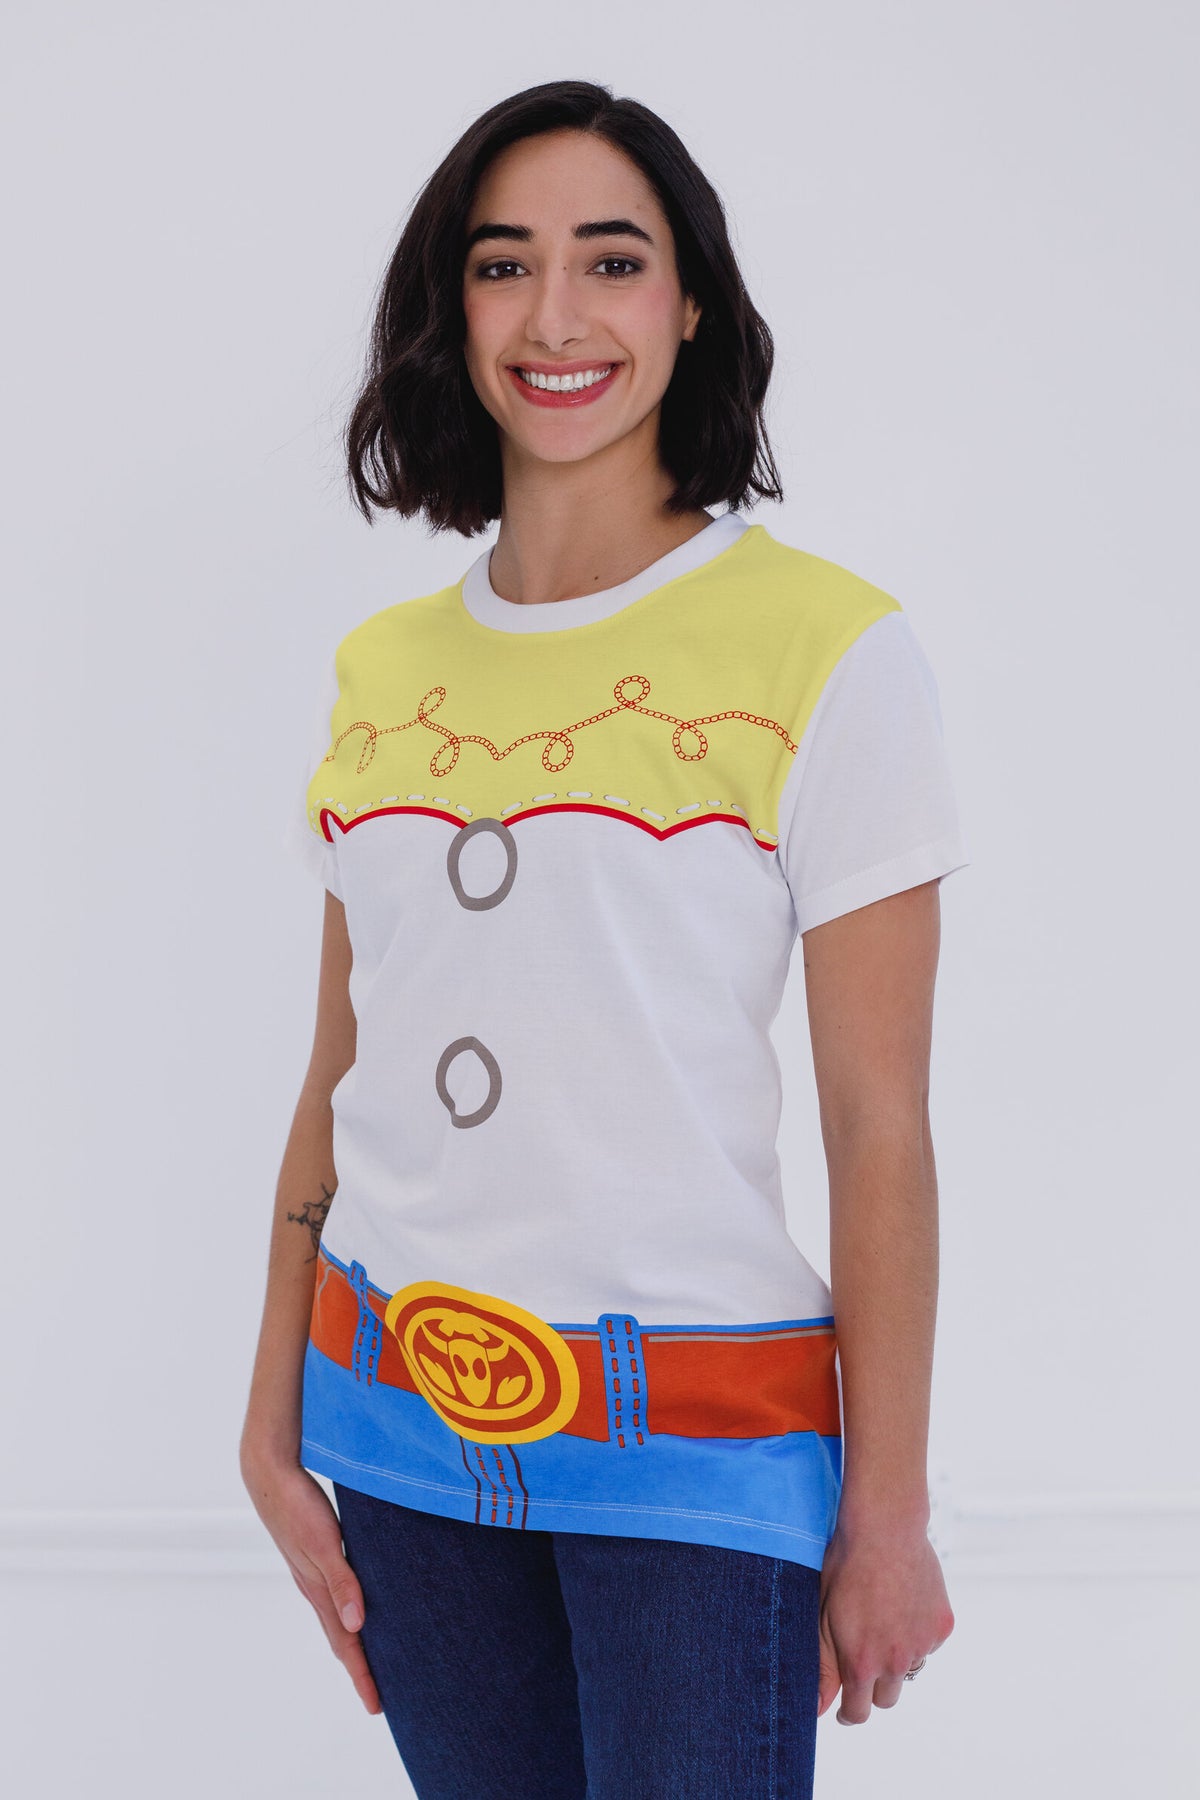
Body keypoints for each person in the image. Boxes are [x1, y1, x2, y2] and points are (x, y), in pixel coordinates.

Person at [240, 78, 967, 1800]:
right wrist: (271, 1417)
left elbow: (879, 1123)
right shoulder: (385, 672)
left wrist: (887, 1508)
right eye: (504, 265)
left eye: (613, 261)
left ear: (690, 301)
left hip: (700, 1448)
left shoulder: (826, 649)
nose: (555, 317)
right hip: (399, 1423)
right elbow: (342, 1077)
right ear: (453, 307)